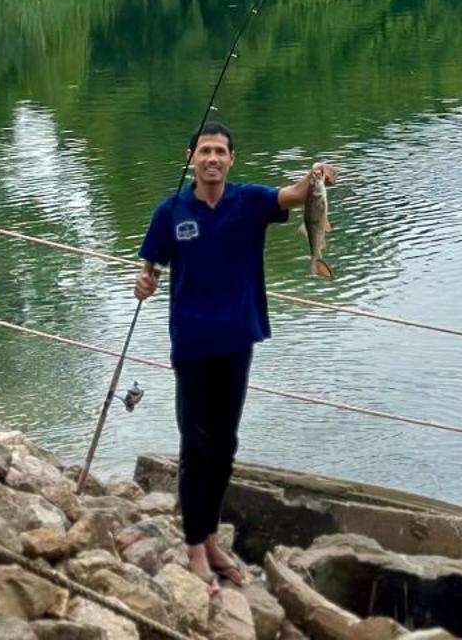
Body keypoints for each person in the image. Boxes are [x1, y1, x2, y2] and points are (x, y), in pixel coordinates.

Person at [134, 121, 338, 591]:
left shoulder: (247, 202)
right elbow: (150, 266)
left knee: (224, 447)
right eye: (204, 151)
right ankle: (194, 549)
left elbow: (291, 195)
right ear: (191, 159)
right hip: (192, 343)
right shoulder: (171, 210)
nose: (212, 159)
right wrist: (145, 281)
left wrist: (316, 176)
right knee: (196, 446)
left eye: (220, 152)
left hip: (237, 339)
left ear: (231, 159)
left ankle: (207, 537)